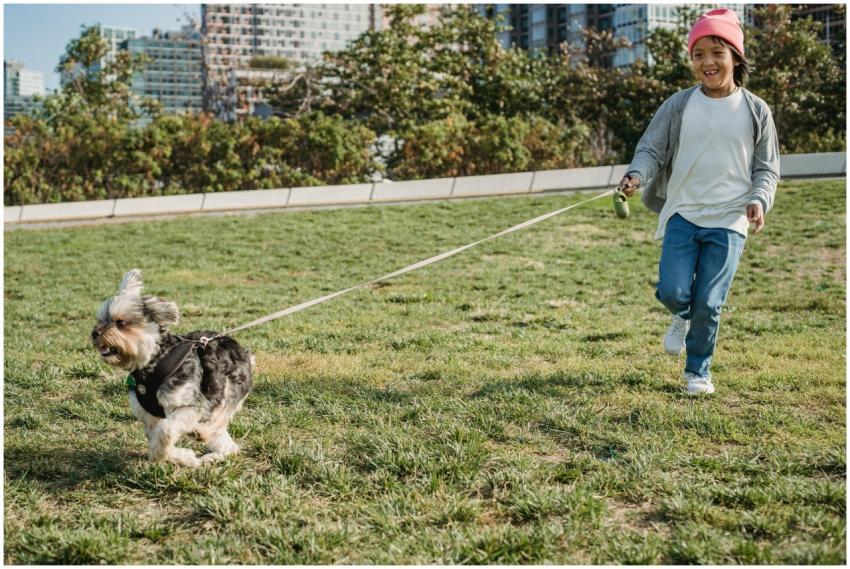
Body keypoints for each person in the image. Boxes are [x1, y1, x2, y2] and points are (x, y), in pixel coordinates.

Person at [618, 8, 779, 395]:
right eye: (698, 54)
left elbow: (767, 169)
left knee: (710, 300)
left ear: (735, 58)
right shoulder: (679, 105)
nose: (707, 62)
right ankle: (682, 314)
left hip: (728, 220)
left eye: (716, 53)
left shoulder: (756, 110)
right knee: (675, 291)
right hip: (684, 214)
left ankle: (697, 372)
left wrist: (758, 199)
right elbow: (651, 149)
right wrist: (637, 175)